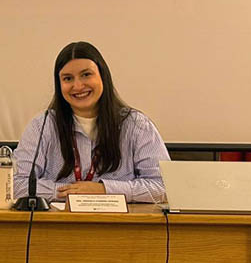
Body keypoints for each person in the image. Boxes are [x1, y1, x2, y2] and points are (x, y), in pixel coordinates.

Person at [12, 41, 170, 203]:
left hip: (121, 225)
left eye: (86, 75)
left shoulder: (137, 125)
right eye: (68, 78)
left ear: (103, 76)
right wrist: (68, 193)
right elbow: (15, 184)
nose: (78, 85)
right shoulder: (42, 125)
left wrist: (105, 190)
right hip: (60, 224)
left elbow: (163, 186)